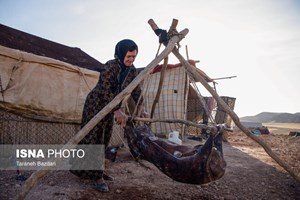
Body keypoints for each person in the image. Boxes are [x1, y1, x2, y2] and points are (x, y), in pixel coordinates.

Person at [70, 39, 146, 192]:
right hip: (95, 105)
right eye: (128, 56)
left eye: (134, 57)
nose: (131, 60)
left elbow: (136, 89)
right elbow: (104, 91)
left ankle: (97, 172)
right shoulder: (111, 66)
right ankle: (96, 176)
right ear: (120, 53)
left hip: (111, 107)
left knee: (105, 138)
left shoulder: (132, 71)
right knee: (93, 139)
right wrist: (117, 110)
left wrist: (142, 106)